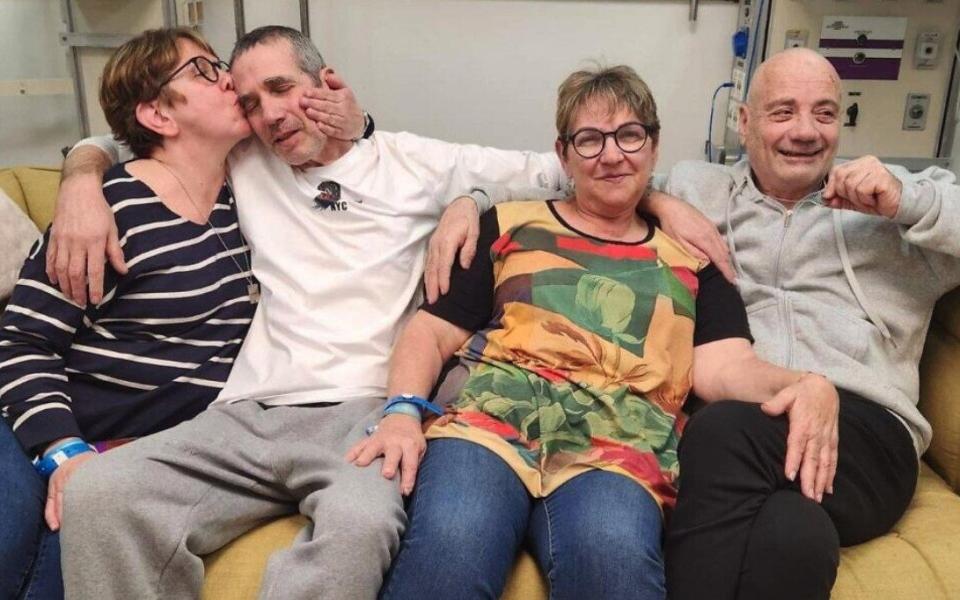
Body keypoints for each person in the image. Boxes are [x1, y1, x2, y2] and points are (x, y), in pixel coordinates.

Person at [48, 25, 591, 600]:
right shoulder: (245, 157)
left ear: (326, 82)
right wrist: (81, 180)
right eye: (251, 101)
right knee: (100, 493)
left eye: (283, 88)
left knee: (362, 523)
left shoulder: (414, 162)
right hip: (245, 411)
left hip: (362, 414)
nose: (271, 114)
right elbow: (123, 135)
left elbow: (571, 172)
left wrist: (472, 201)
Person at [457, 48, 960, 599]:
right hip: (755, 424)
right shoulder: (701, 188)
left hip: (862, 437)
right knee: (796, 538)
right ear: (743, 123)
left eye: (824, 113)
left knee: (717, 432)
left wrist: (907, 198)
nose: (805, 131)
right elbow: (594, 174)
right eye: (783, 111)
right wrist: (472, 202)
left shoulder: (892, 208)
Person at [342, 65, 840, 600]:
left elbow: (725, 367)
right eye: (590, 140)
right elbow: (431, 334)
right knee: (453, 543)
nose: (611, 154)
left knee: (613, 558)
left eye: (629, 136)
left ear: (653, 147)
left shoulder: (693, 260)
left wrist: (804, 384)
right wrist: (401, 412)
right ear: (563, 154)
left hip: (619, 449)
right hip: (485, 432)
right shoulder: (508, 224)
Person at [0, 27, 270, 600]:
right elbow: (24, 342)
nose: (228, 77)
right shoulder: (111, 210)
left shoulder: (252, 195)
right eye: (202, 70)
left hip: (140, 451)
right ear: (159, 116)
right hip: (43, 425)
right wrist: (62, 450)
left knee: (66, 564)